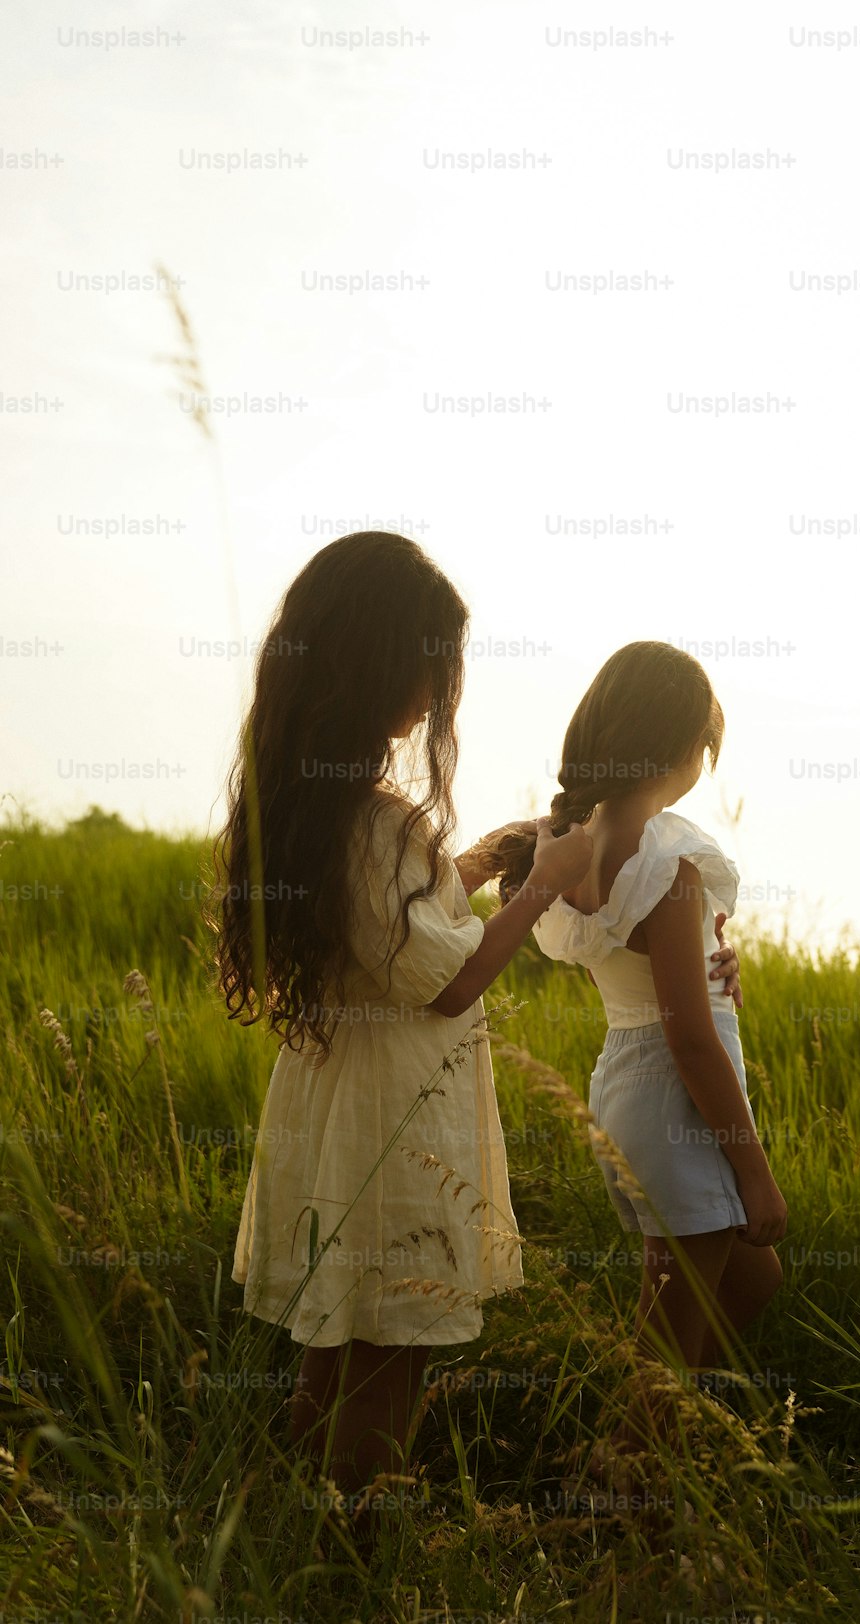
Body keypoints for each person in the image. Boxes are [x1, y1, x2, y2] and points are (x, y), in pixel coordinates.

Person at [213, 531, 593, 1531]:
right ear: (377, 658)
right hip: (395, 1121)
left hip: (340, 1104)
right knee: (390, 1354)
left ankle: (292, 1544)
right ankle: (354, 1553)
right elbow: (450, 980)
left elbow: (390, 934)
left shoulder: (315, 799)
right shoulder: (374, 818)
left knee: (337, 1349)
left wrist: (470, 865)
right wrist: (542, 884)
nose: (436, 692)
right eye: (429, 664)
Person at [484, 641, 786, 1492]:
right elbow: (691, 1038)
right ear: (685, 749)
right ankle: (627, 1501)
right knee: (669, 1345)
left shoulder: (580, 846)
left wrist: (714, 968)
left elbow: (667, 988)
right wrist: (755, 1172)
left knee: (751, 1278)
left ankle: (662, 1437)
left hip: (626, 1085)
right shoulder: (671, 866)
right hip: (676, 1099)